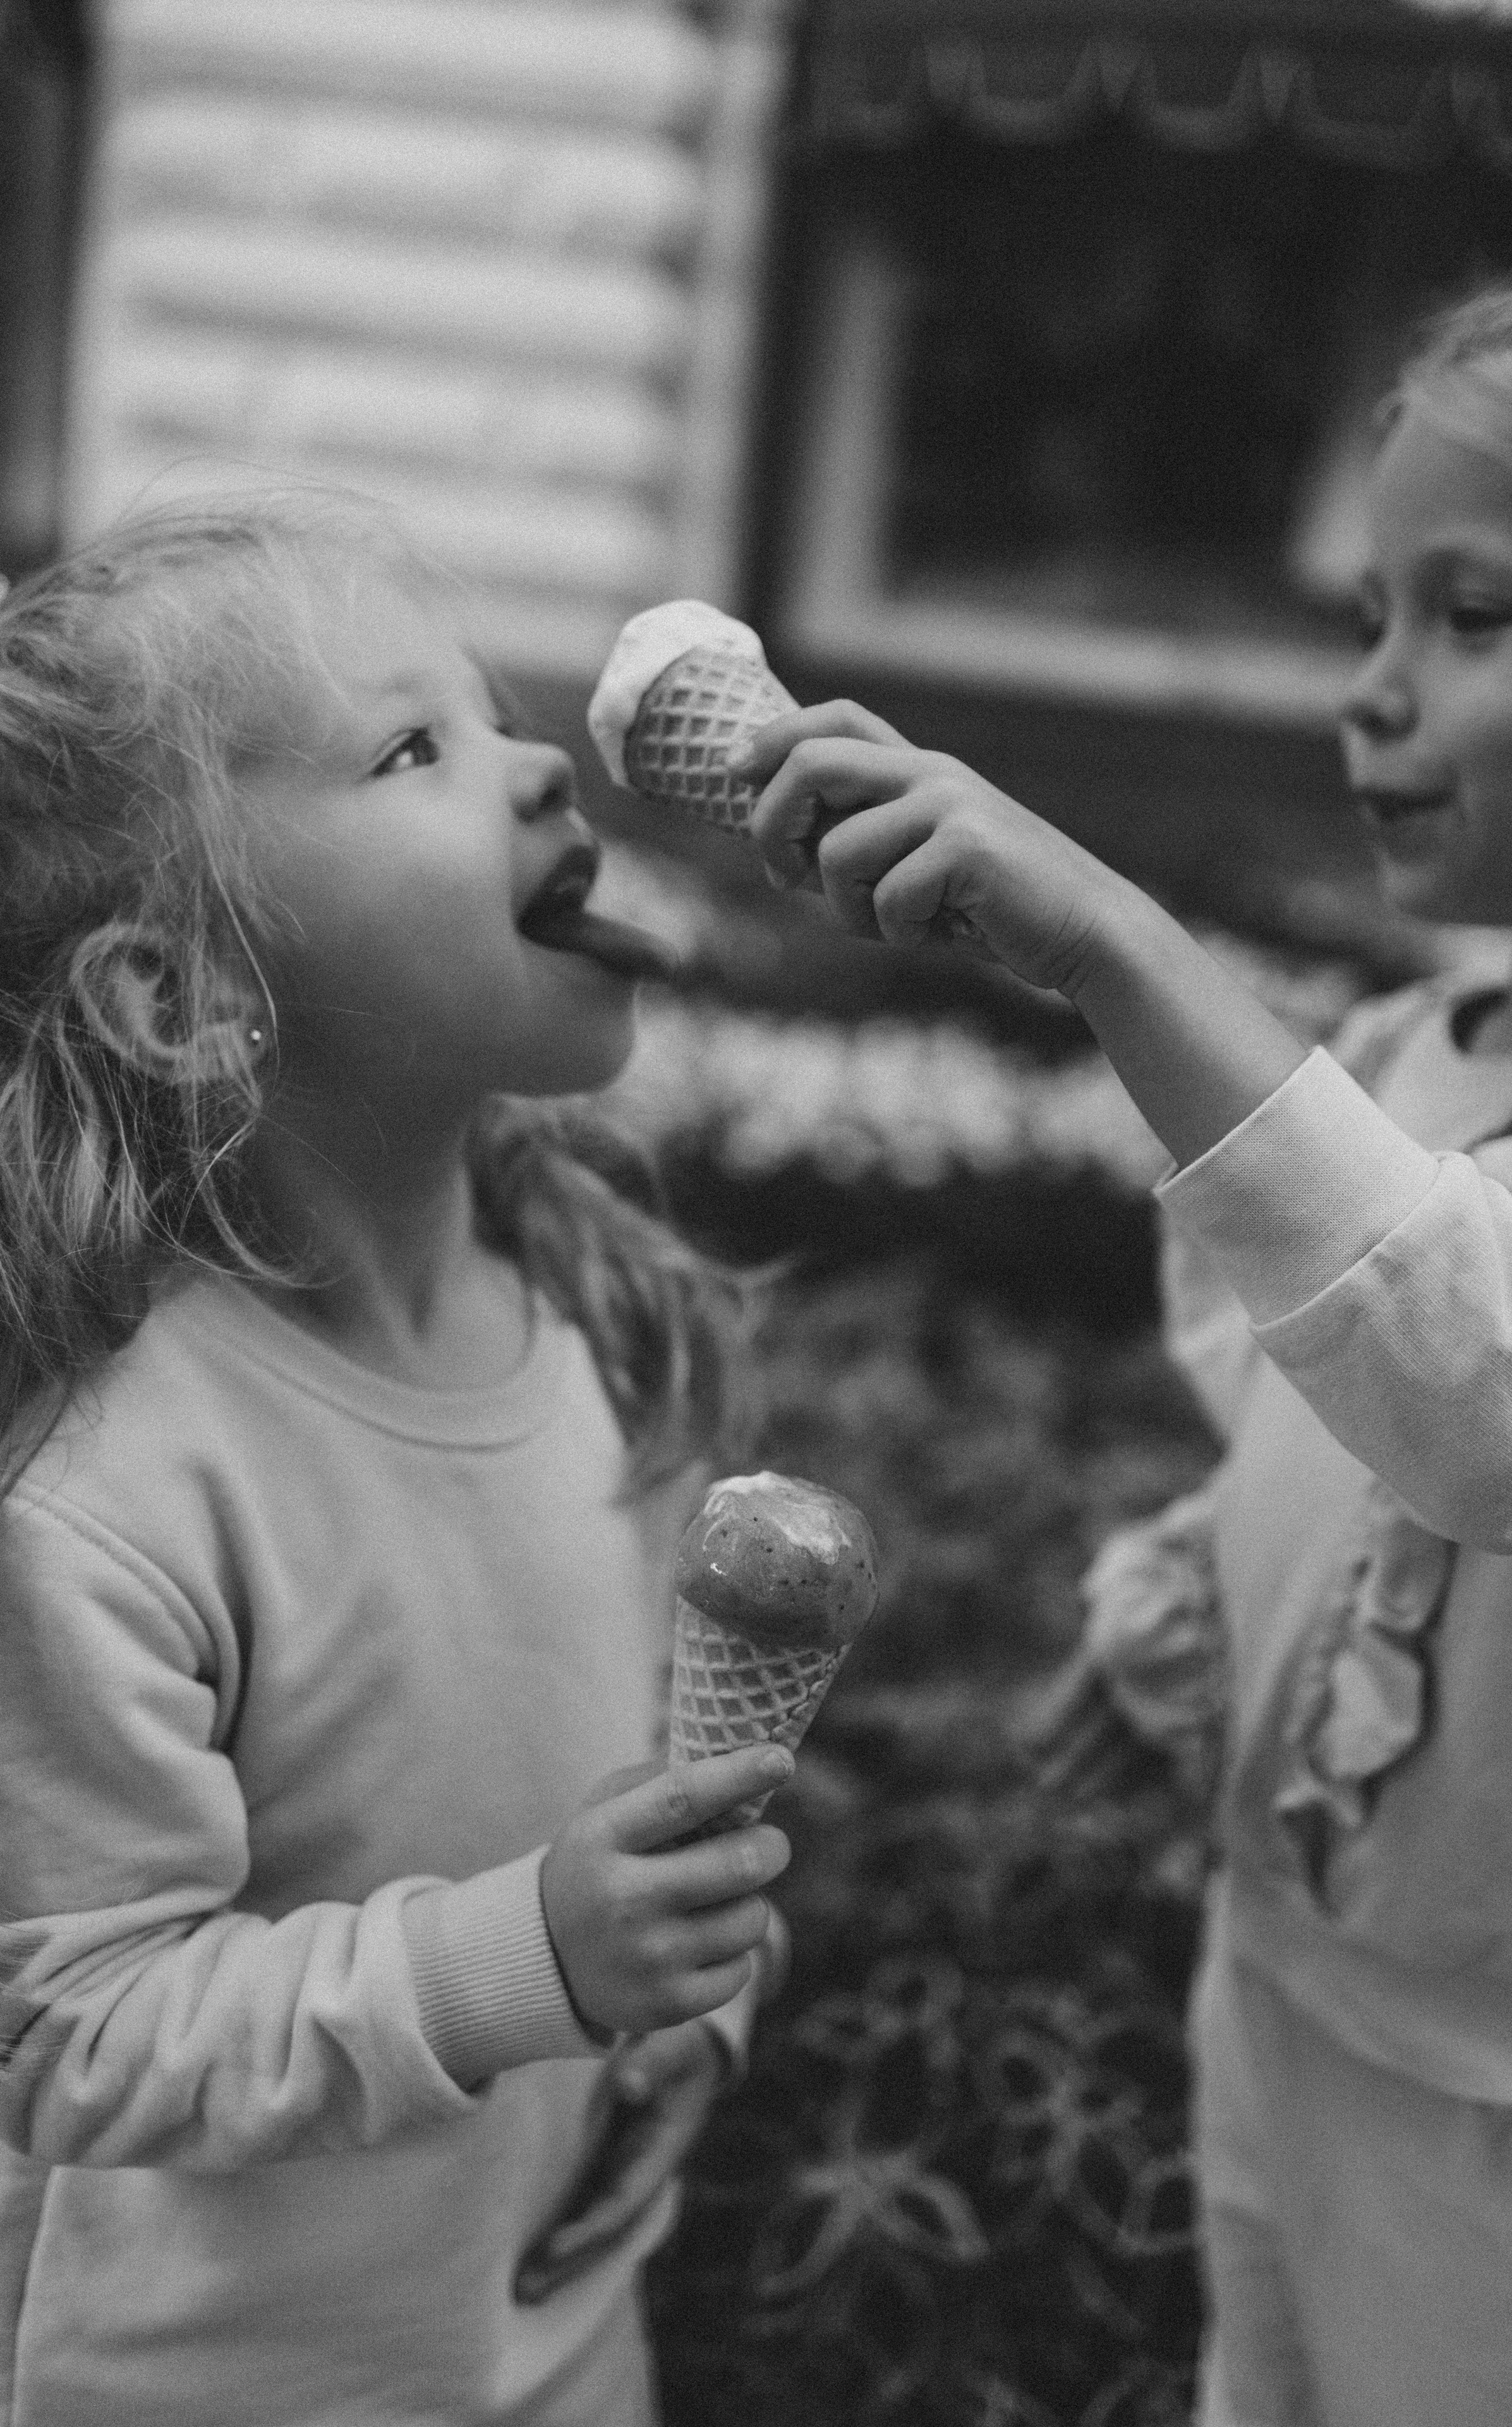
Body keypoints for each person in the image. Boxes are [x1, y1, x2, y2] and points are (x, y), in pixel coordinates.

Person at [732, 245, 1512, 2427]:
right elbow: (1326, 1429)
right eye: (1370, 619)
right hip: (1285, 1977)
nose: (1373, 693)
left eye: (1472, 615)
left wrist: (1119, 948)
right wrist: (1193, 1607)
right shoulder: (1402, 1057)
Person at [0, 496, 794, 2427]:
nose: (540, 763)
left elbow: (610, 1797)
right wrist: (525, 1961)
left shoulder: (576, 1329)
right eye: (410, 749)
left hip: (558, 2342)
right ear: (185, 998)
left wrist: (681, 1992)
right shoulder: (111, 1500)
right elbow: (70, 2030)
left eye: (492, 711)